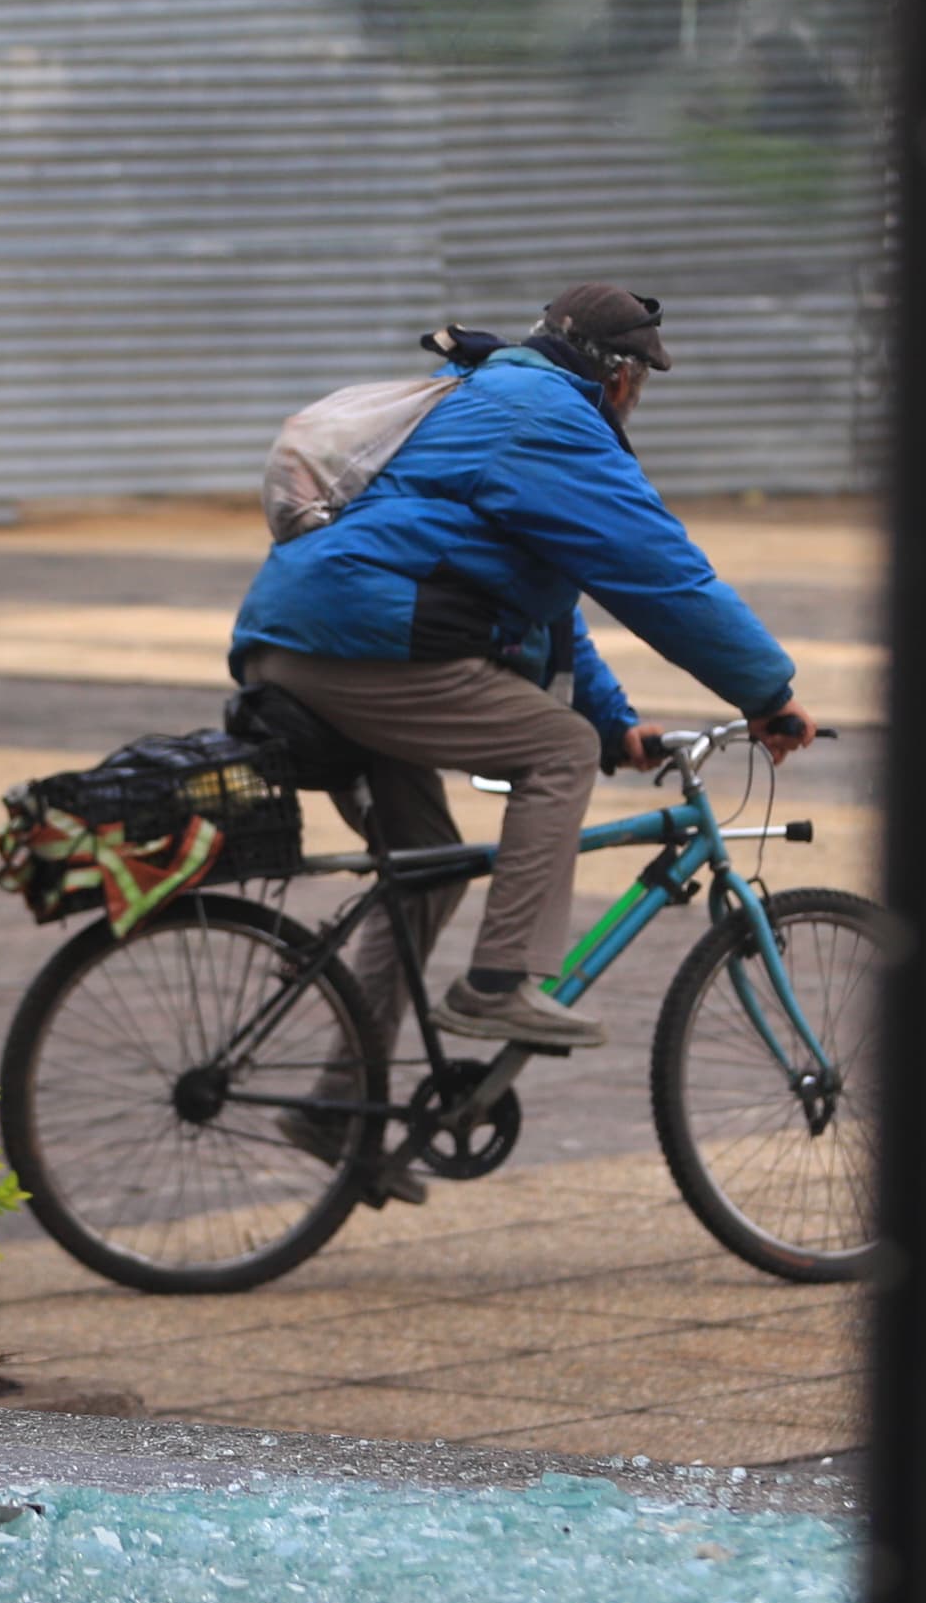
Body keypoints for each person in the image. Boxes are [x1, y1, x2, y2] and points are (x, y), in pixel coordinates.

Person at [228, 283, 817, 1085]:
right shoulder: (546, 419)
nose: (635, 399)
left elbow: (543, 606)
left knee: (429, 862)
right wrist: (769, 694)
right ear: (616, 375)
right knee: (559, 748)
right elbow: (662, 577)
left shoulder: (493, 396)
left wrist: (618, 722)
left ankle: (342, 1105)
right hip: (359, 645)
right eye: (640, 381)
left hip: (304, 639)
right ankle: (498, 982)